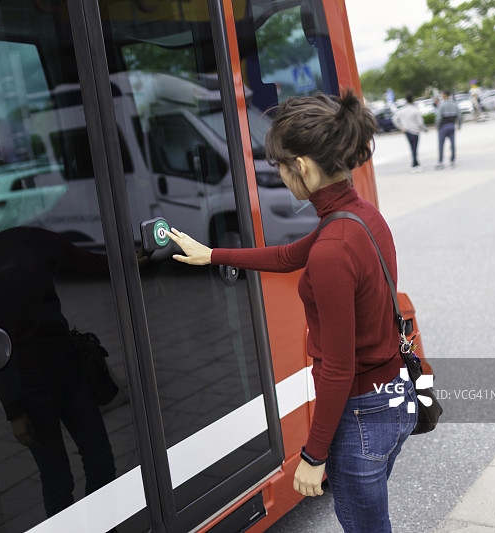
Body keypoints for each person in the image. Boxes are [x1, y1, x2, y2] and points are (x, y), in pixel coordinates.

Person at [167, 91, 417, 533]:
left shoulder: (334, 246)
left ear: (300, 165)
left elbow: (338, 367)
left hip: (362, 415)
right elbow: (287, 256)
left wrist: (312, 456)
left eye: (280, 168)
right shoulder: (359, 215)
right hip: (395, 399)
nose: (281, 178)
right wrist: (213, 255)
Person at [0, 160, 117, 519]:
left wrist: (141, 254)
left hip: (59, 372)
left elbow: (94, 264)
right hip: (34, 382)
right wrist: (14, 411)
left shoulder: (18, 245)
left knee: (91, 464)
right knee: (68, 474)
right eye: (5, 197)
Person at [392, 92, 427, 172]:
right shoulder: (415, 110)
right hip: (415, 131)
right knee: (415, 148)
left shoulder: (402, 110)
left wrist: (401, 127)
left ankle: (415, 163)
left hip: (407, 131)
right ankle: (415, 164)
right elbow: (420, 122)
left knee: (412, 147)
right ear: (413, 100)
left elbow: (394, 119)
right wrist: (424, 129)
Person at [435, 90, 462, 169]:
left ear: (445, 95)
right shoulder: (454, 104)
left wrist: (437, 126)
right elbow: (460, 116)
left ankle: (440, 162)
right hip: (451, 125)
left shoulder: (441, 105)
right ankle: (452, 161)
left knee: (441, 145)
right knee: (452, 144)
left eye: (442, 94)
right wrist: (459, 125)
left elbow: (438, 118)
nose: (441, 95)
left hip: (443, 126)